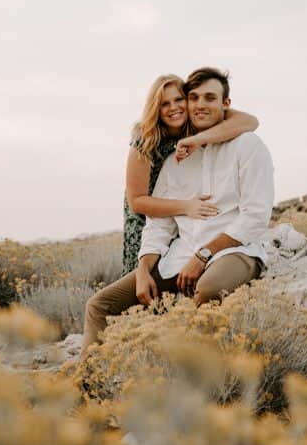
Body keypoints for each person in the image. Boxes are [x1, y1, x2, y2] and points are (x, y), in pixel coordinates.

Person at [82, 67, 274, 354]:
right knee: (100, 304)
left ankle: (194, 373)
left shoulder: (247, 145)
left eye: (210, 98)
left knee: (208, 289)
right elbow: (157, 223)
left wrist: (204, 254)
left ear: (226, 104)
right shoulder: (172, 156)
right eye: (194, 97)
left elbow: (255, 218)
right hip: (174, 247)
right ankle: (86, 385)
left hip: (235, 251)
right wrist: (144, 268)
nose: (199, 105)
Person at [122, 74, 259, 274]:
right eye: (164, 103)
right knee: (144, 277)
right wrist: (185, 206)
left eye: (178, 100)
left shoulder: (195, 125)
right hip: (151, 215)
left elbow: (250, 121)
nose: (173, 107)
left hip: (187, 209)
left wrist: (198, 139)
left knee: (182, 265)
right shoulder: (146, 139)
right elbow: (137, 201)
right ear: (155, 108)